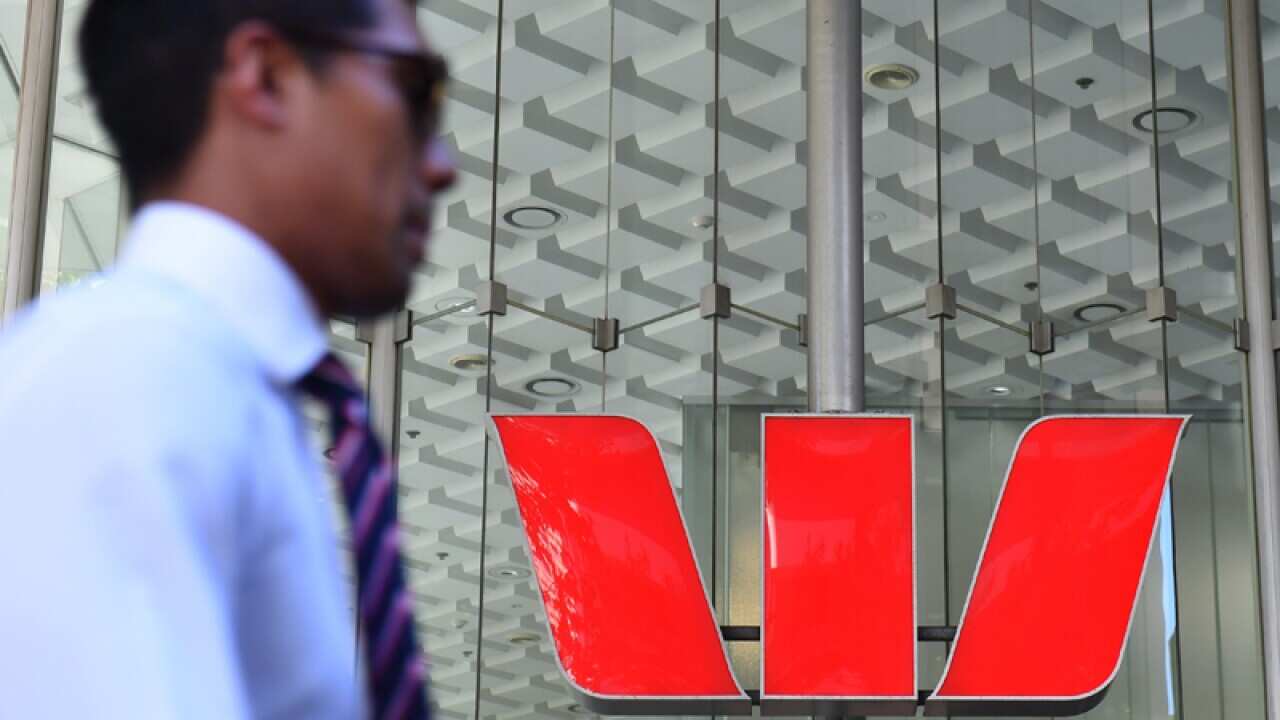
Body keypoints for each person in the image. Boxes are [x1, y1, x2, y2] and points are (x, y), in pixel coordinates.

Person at [0, 0, 455, 717]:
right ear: (265, 76)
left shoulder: (210, 392)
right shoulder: (121, 380)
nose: (443, 166)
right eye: (416, 91)